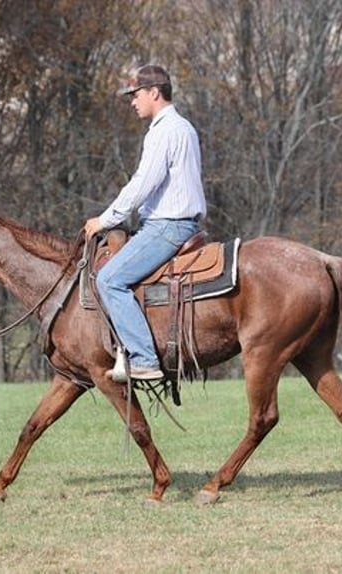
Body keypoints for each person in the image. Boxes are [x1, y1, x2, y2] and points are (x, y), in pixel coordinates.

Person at [84, 64, 207, 383]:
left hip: (168, 226)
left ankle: (143, 358)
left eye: (136, 94)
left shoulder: (165, 131)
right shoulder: (185, 127)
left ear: (154, 92)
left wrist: (106, 219)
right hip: (178, 223)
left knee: (109, 279)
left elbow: (143, 184)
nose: (132, 101)